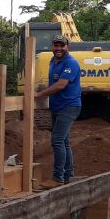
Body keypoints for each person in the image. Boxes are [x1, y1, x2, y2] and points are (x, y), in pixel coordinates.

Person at [34, 34, 82, 184]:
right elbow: (53, 83)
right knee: (64, 141)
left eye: (62, 45)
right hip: (57, 106)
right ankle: (68, 176)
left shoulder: (71, 63)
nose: (59, 48)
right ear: (52, 47)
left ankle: (57, 178)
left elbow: (61, 84)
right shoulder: (52, 61)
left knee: (57, 140)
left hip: (69, 106)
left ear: (67, 46)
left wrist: (41, 94)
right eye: (56, 45)